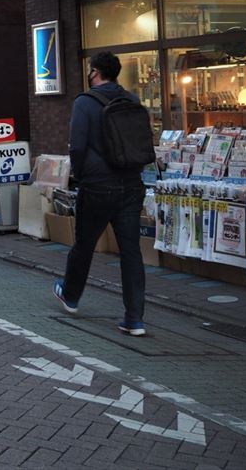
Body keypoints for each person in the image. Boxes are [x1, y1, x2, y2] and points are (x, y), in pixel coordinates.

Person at [55, 51, 148, 336]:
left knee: (84, 244)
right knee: (131, 252)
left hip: (97, 185)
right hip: (132, 184)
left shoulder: (85, 102)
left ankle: (70, 296)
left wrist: (81, 176)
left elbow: (77, 146)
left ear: (94, 72)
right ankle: (134, 319)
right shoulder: (131, 100)